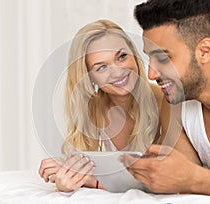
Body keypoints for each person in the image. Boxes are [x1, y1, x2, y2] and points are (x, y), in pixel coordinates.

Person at [121, 0, 210, 198]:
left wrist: (198, 178)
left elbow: (191, 180)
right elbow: (183, 188)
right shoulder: (175, 105)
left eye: (163, 58)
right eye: (149, 58)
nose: (151, 73)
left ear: (204, 51)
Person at [38, 19, 164, 192]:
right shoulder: (91, 112)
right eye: (101, 67)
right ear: (89, 77)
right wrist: (66, 178)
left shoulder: (165, 101)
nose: (117, 72)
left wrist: (93, 182)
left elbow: (166, 179)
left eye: (121, 57)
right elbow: (80, 167)